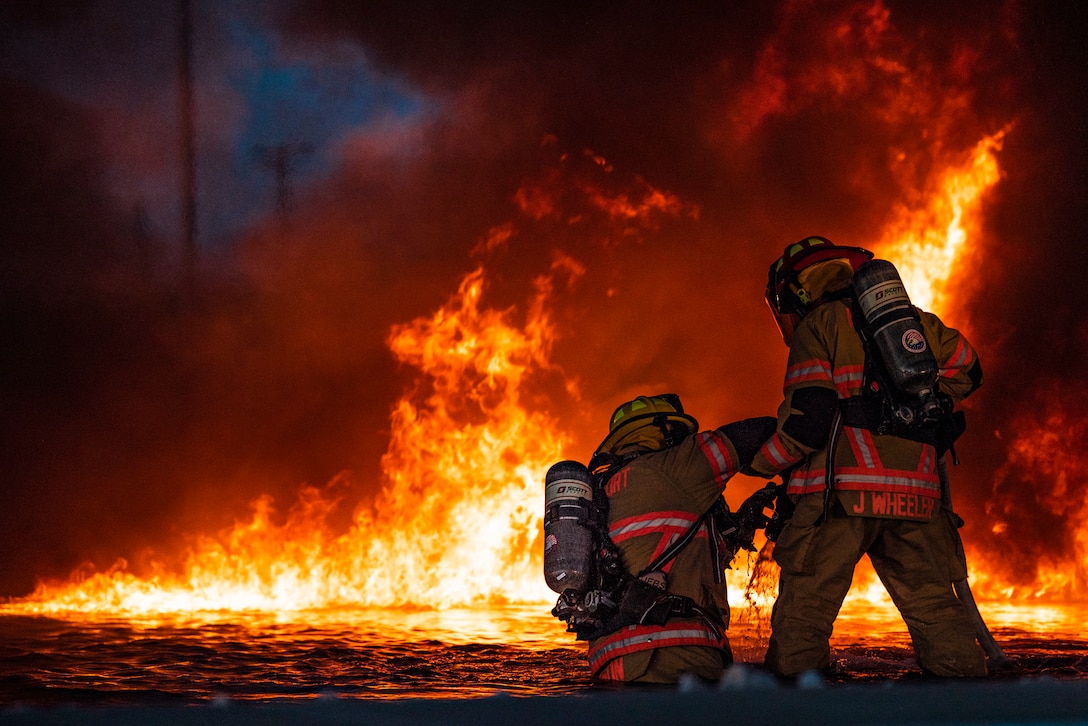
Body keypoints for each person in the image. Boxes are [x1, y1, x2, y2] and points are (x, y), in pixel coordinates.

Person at [746, 236, 987, 679]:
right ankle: (971, 699)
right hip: (916, 499)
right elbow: (969, 372)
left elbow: (807, 422)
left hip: (840, 499)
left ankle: (794, 705)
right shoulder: (915, 322)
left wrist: (757, 464)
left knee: (805, 614)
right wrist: (914, 405)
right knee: (935, 608)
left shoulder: (819, 325)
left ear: (794, 294)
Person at [580, 393, 775, 684]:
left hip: (611, 665)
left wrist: (736, 528)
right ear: (664, 430)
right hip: (674, 657)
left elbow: (668, 553)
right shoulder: (670, 467)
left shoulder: (602, 492)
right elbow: (748, 436)